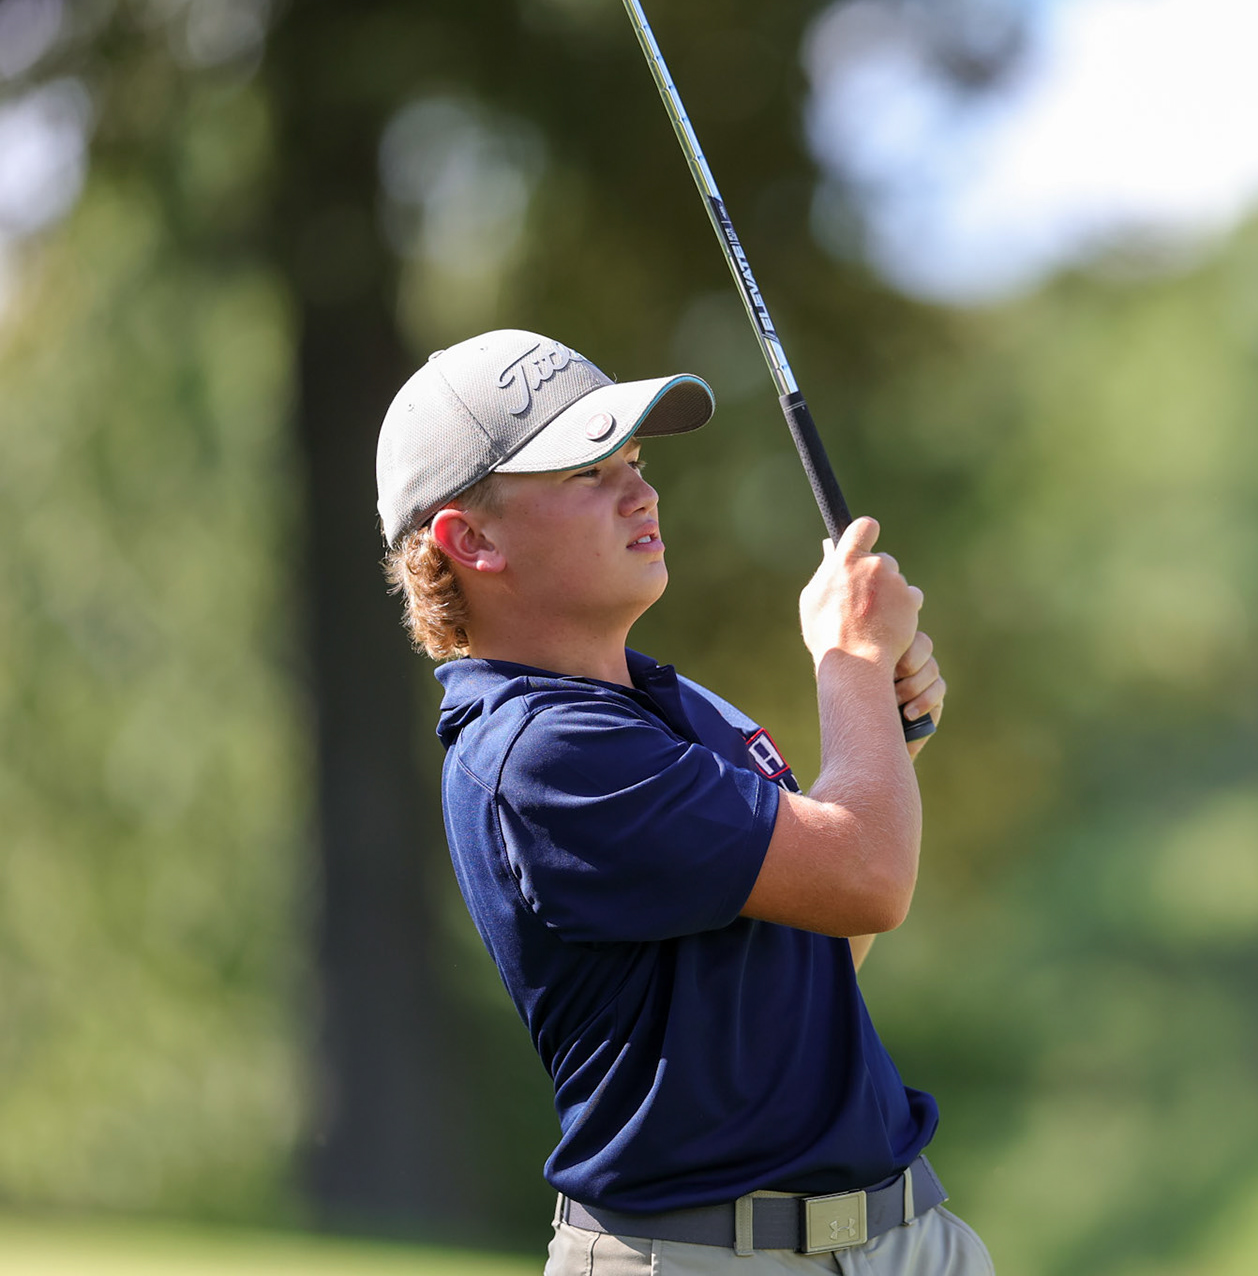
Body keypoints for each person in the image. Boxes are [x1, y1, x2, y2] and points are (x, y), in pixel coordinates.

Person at [373, 329, 991, 1275]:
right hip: (700, 1256)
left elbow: (826, 946)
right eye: (587, 472)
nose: (642, 491)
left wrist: (884, 730)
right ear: (471, 539)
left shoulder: (671, 706)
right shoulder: (538, 752)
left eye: (634, 460)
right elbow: (870, 879)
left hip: (899, 1238)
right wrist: (853, 660)